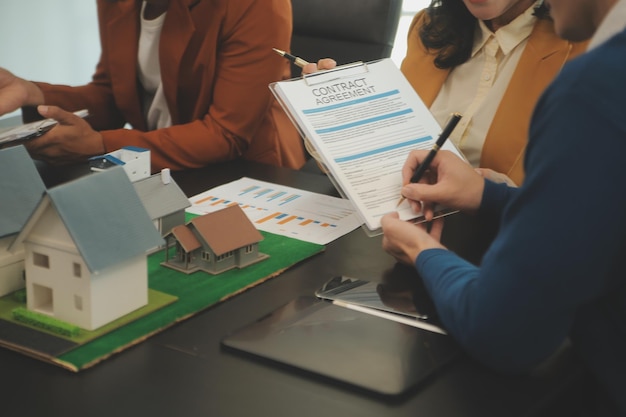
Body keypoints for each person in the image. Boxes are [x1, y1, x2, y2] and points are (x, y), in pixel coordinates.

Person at [381, 0, 626, 414]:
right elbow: (595, 212)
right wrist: (485, 195)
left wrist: (423, 253)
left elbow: (505, 332)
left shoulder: (595, 85)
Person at [0, 0, 306, 172]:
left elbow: (226, 134)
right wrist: (32, 93)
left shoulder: (257, 5)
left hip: (247, 172)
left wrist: (102, 145)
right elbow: (112, 94)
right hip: (154, 165)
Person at [304, 0, 587, 185]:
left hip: (505, 241)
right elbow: (386, 156)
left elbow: (574, 196)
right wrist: (337, 116)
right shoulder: (431, 28)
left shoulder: (586, 47)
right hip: (406, 224)